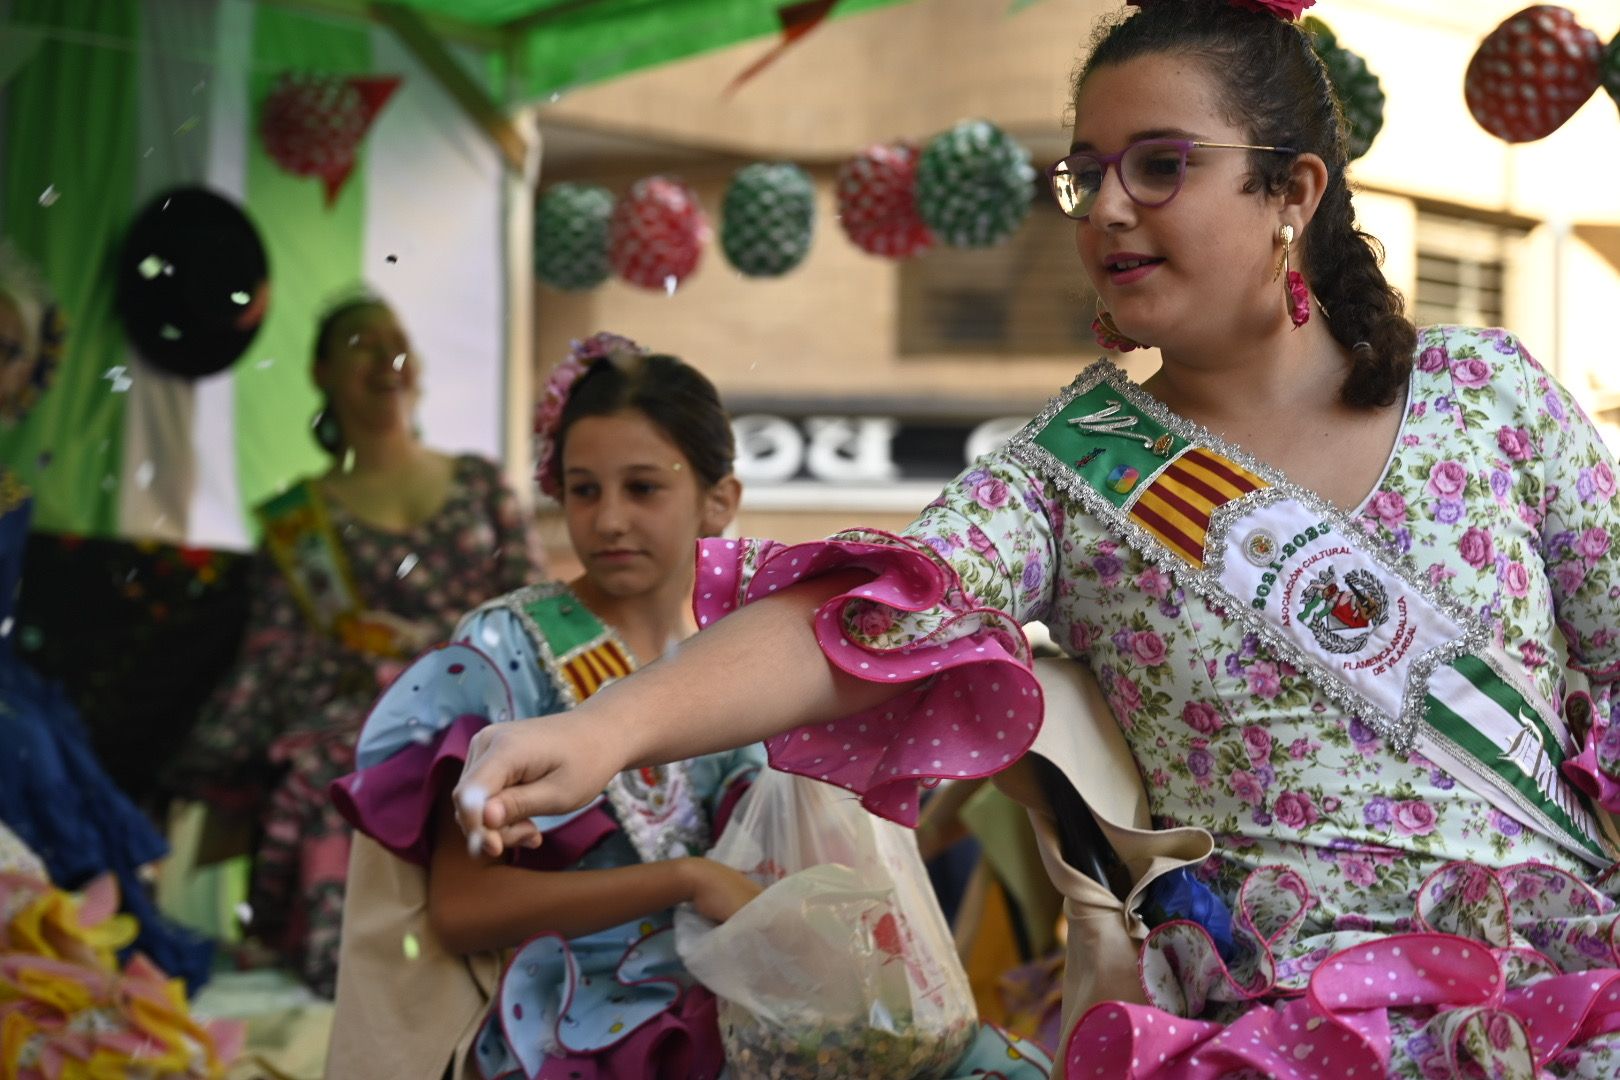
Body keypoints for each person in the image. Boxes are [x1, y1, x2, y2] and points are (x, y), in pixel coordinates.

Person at [453, 2, 1620, 1077]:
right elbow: (860, 619)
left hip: (1564, 1005)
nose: (1107, 208)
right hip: (1278, 1038)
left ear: (1291, 191)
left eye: (1159, 164)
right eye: (1086, 173)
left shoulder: (1489, 396)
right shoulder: (1070, 471)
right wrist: (607, 727)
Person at [168, 292, 543, 996]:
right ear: (321, 373)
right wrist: (376, 664)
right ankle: (361, 974)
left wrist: (434, 646)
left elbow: (534, 615)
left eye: (396, 340)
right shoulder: (298, 521)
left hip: (488, 708)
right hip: (361, 725)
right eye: (361, 344)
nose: (385, 356)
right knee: (339, 776)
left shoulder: (480, 484)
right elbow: (274, 657)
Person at [1, 240, 214, 990]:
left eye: (9, 352)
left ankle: (61, 944)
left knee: (31, 744)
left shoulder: (10, 494)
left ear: (29, 372)